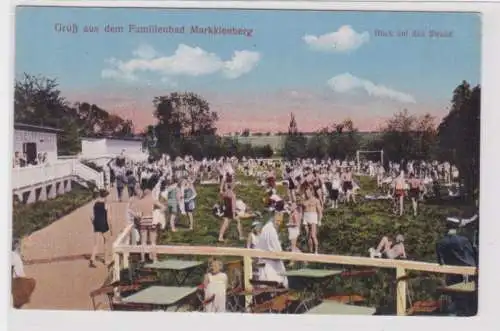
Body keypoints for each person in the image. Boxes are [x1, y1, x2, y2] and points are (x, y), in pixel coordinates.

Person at [436, 217, 478, 316]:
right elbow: (473, 255)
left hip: (451, 276)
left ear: (446, 227)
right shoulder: (464, 241)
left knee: (455, 302)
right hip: (468, 276)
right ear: (457, 228)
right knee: (467, 304)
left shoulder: (441, 243)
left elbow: (440, 261)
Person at [256, 212, 288, 288]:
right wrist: (281, 254)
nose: (279, 223)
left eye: (280, 221)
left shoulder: (267, 228)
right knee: (274, 276)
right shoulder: (270, 230)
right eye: (277, 221)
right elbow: (275, 246)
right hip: (270, 258)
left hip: (266, 257)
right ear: (273, 219)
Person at [89, 190, 112, 268]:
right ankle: (106, 260)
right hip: (104, 224)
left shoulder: (95, 204)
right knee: (106, 241)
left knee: (96, 244)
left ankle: (92, 259)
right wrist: (111, 229)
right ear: (105, 196)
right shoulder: (106, 205)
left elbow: (91, 217)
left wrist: (94, 223)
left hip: (96, 224)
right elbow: (109, 218)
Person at [11, 238, 36, 309]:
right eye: (19, 245)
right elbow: (19, 273)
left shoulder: (15, 255)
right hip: (16, 282)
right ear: (16, 245)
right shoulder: (15, 257)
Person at [302, 187, 323, 254]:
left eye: (308, 192)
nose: (306, 193)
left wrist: (320, 220)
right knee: (308, 235)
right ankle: (310, 251)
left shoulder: (316, 200)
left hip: (313, 216)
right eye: (306, 192)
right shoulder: (304, 200)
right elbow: (302, 210)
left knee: (313, 235)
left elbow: (320, 211)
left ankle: (316, 251)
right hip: (306, 216)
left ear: (312, 192)